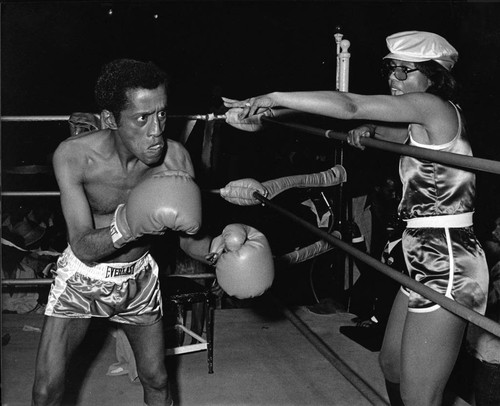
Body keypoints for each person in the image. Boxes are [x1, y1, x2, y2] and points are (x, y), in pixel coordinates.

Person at [223, 31, 489, 406]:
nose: (394, 80)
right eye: (390, 70)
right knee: (391, 364)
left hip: (447, 261)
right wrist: (370, 129)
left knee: (420, 396)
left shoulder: (433, 106)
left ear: (433, 76)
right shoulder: (426, 118)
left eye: (405, 72)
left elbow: (350, 105)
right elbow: (387, 126)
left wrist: (274, 97)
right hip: (421, 253)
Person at [32, 58, 274, 406]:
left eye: (162, 114)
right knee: (45, 391)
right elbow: (83, 246)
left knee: (157, 380)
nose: (156, 129)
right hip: (82, 280)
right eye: (142, 118)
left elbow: (192, 242)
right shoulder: (74, 157)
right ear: (110, 120)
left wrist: (220, 247)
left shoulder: (176, 160)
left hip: (139, 279)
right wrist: (130, 224)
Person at [465, 212, 500, 406]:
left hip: (494, 359)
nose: (494, 231)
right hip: (484, 352)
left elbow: (487, 302)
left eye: (499, 227)